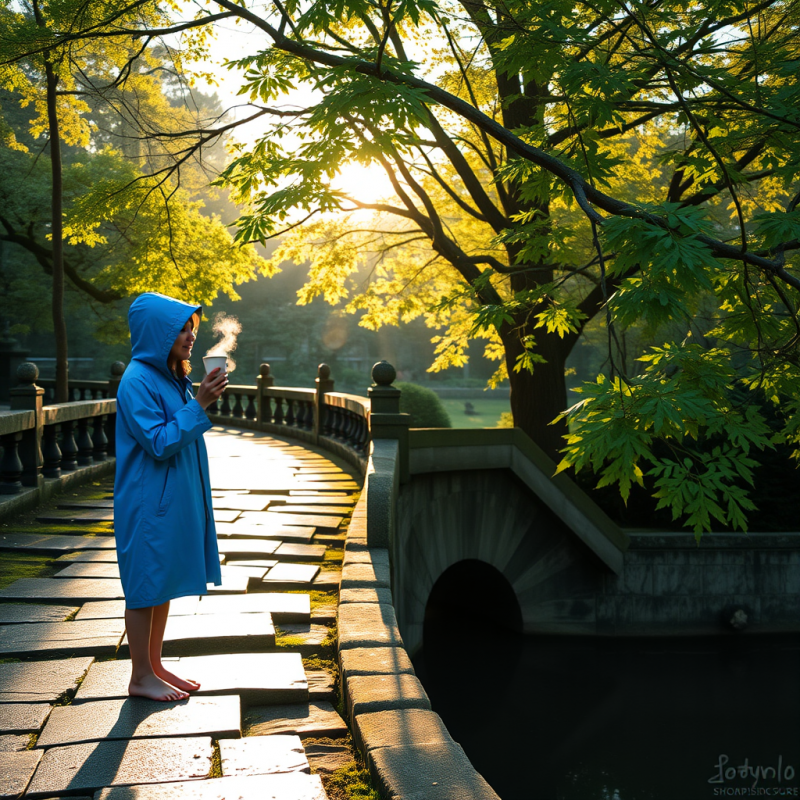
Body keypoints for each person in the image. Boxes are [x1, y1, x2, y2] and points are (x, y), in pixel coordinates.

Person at [114, 293, 229, 701]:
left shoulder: (169, 377)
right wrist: (200, 403)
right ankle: (139, 675)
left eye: (191, 328)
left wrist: (199, 397)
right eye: (180, 328)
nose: (189, 335)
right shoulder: (137, 381)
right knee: (144, 584)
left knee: (158, 582)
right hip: (147, 501)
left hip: (167, 498)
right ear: (157, 333)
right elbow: (159, 442)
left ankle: (155, 665)